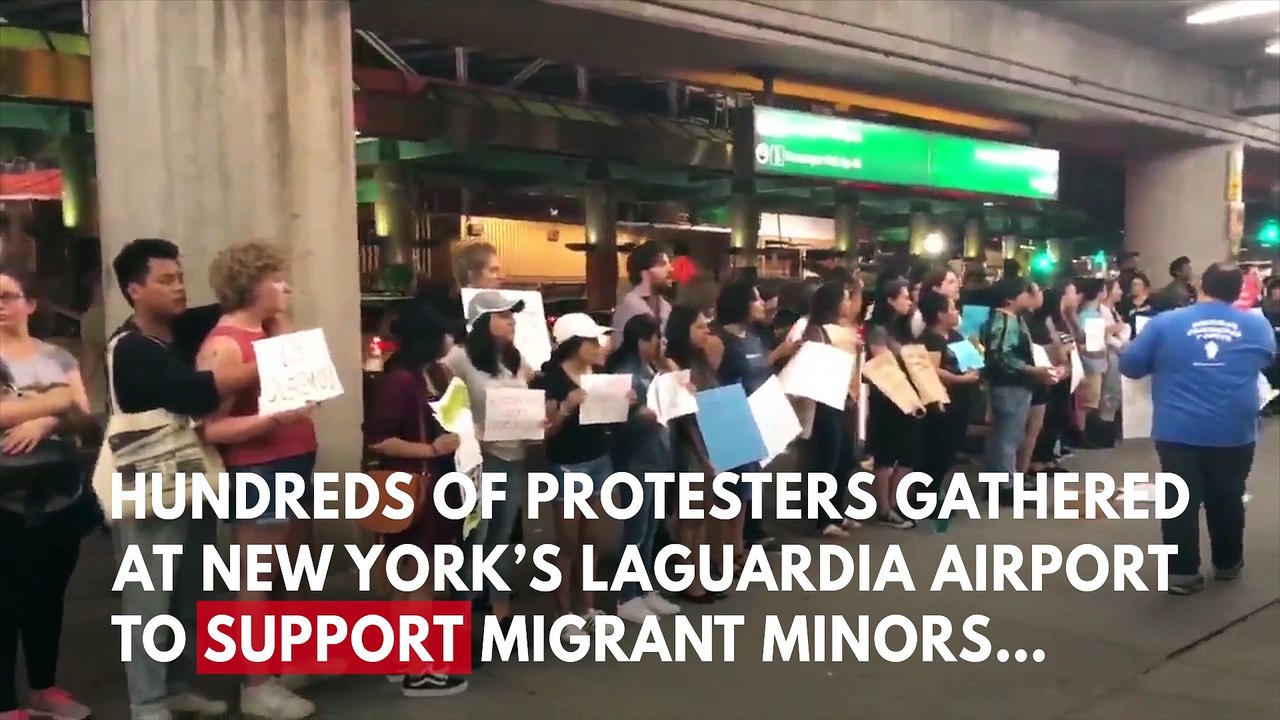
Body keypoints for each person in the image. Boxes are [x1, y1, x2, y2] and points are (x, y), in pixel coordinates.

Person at [105, 238, 259, 720]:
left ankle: (177, 686)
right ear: (134, 290)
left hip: (192, 480)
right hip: (147, 489)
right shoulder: (130, 347)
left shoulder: (184, 329)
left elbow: (237, 302)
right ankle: (146, 701)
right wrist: (273, 363)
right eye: (165, 280)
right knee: (148, 598)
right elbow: (193, 393)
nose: (178, 288)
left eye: (180, 278)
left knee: (189, 589)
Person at [194, 242, 319, 720]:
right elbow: (209, 428)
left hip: (291, 459)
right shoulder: (226, 345)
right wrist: (269, 422)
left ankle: (279, 666)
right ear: (251, 285)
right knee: (254, 577)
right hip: (258, 466)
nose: (286, 286)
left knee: (286, 569)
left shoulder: (266, 331)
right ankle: (256, 683)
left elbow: (304, 381)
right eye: (276, 279)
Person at [1119, 263, 1275, 595]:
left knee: (1179, 499)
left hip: (1178, 428)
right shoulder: (1257, 327)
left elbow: (1131, 366)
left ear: (1201, 285)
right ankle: (1228, 563)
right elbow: (1265, 360)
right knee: (1229, 496)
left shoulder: (1165, 322)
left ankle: (1182, 572)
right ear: (1238, 292)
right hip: (1235, 427)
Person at [0, 267, 94, 720]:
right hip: (4, 500)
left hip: (59, 493)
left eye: (8, 296)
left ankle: (43, 687)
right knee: (4, 598)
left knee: (47, 595)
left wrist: (46, 419)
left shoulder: (57, 357)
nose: (0, 306)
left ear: (30, 304)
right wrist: (55, 401)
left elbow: (84, 416)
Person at [365, 303, 468, 696]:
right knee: (421, 577)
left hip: (431, 484)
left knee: (412, 576)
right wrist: (432, 449)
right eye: (444, 334)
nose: (449, 340)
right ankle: (420, 668)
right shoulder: (402, 382)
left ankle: (400, 659)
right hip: (415, 484)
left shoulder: (431, 375)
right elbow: (379, 437)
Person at [533, 313, 632, 636]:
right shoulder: (551, 380)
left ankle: (587, 607)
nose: (600, 346)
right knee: (567, 542)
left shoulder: (599, 374)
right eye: (592, 341)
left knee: (591, 538)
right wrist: (565, 407)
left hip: (598, 459)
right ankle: (564, 614)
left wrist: (623, 403)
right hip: (566, 464)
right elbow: (543, 433)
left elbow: (609, 419)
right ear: (573, 345)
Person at [442, 291, 533, 629]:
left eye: (512, 315)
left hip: (513, 457)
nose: (511, 321)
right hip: (479, 461)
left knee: (501, 539)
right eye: (503, 315)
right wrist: (468, 427)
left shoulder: (514, 359)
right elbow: (437, 401)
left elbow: (528, 396)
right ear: (482, 321)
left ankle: (500, 613)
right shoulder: (459, 359)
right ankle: (460, 621)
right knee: (474, 541)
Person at [603, 314, 682, 623]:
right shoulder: (627, 375)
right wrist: (638, 417)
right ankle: (627, 595)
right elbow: (615, 425)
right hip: (636, 461)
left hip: (658, 457)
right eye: (656, 338)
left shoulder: (654, 369)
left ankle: (646, 588)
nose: (661, 343)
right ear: (642, 341)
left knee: (650, 528)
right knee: (635, 531)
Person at [980, 277, 1056, 505]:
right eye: (1024, 292)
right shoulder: (1005, 320)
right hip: (1010, 385)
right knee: (1008, 438)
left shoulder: (1011, 319)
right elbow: (1002, 356)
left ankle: (999, 484)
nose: (1029, 296)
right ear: (1010, 298)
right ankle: (1005, 487)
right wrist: (1033, 370)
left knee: (1003, 436)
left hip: (1013, 385)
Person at [797, 279, 864, 537]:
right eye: (845, 298)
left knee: (845, 458)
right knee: (826, 459)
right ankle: (822, 519)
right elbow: (813, 363)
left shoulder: (845, 330)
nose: (849, 303)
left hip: (845, 399)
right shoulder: (816, 330)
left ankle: (837, 511)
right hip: (824, 403)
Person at [663, 305, 721, 604]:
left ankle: (699, 572)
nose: (706, 331)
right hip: (689, 447)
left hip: (708, 442)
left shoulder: (701, 361)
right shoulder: (673, 363)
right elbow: (684, 415)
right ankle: (688, 578)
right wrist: (703, 453)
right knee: (690, 517)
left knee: (701, 516)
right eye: (699, 327)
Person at [864, 277, 922, 528]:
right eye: (905, 297)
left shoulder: (904, 327)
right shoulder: (878, 329)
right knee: (887, 453)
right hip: (887, 396)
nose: (909, 302)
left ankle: (897, 502)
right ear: (890, 300)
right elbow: (881, 362)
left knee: (908, 451)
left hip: (910, 394)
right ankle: (884, 508)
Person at [915, 289, 981, 507]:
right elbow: (931, 371)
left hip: (961, 402)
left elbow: (972, 361)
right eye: (952, 309)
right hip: (940, 404)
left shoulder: (956, 336)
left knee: (950, 449)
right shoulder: (928, 340)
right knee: (935, 450)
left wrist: (975, 367)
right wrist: (959, 379)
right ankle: (926, 496)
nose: (957, 313)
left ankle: (936, 491)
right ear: (940, 314)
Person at [612, 240, 673, 340]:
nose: (670, 269)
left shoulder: (666, 307)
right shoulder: (630, 306)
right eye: (662, 264)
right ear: (644, 271)